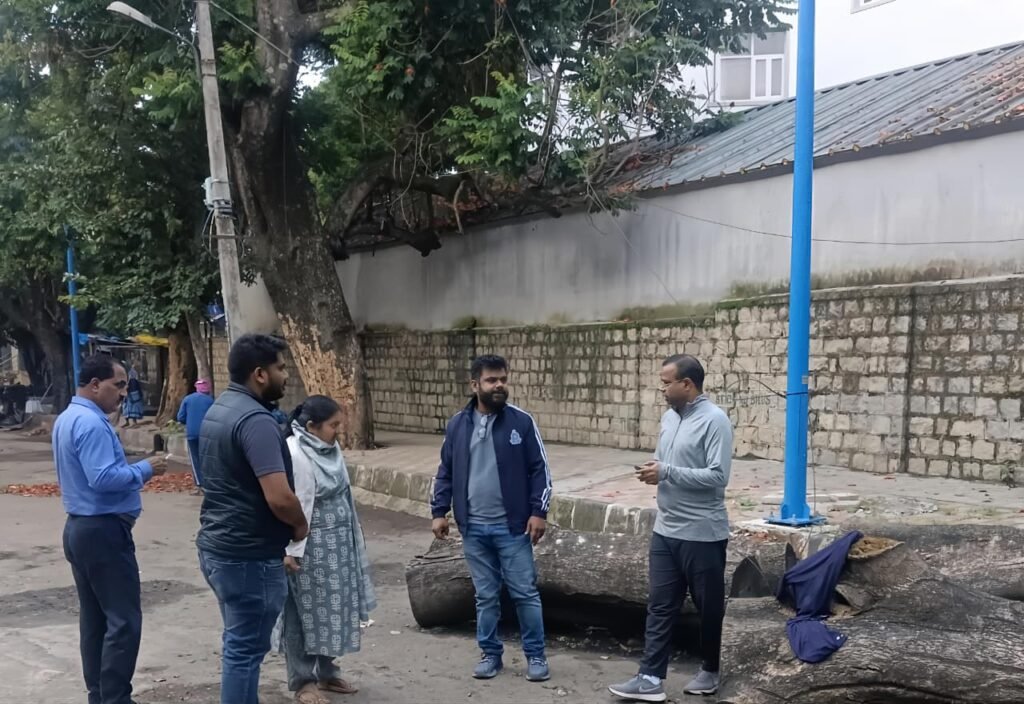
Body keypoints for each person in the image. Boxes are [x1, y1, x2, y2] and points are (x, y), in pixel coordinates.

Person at [608, 355, 733, 702]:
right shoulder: (668, 418)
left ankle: (711, 669)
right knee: (660, 605)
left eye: (666, 383)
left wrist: (667, 472)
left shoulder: (715, 421)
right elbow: (665, 460)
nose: (661, 389)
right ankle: (650, 678)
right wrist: (653, 469)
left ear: (687, 385)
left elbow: (718, 476)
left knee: (709, 607)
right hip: (666, 529)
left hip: (702, 532)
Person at [196, 334, 309, 704]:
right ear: (260, 374)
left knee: (238, 644)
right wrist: (299, 524)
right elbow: (278, 496)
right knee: (245, 651)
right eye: (280, 368)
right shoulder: (255, 421)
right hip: (247, 555)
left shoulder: (220, 408)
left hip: (218, 547)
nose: (285, 375)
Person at [431, 354, 553, 683]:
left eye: (503, 379)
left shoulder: (521, 422)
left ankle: (536, 656)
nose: (499, 385)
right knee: (485, 595)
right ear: (475, 385)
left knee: (524, 593)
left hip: (512, 527)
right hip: (473, 528)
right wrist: (438, 511)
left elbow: (540, 469)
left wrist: (538, 512)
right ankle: (490, 654)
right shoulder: (458, 424)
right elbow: (445, 471)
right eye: (491, 380)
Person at [53, 353, 168, 704]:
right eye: (118, 385)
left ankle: (100, 695)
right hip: (101, 531)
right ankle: (114, 698)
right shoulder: (89, 423)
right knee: (123, 622)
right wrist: (146, 469)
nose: (122, 394)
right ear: (94, 385)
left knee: (96, 621)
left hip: (82, 528)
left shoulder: (68, 418)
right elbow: (102, 478)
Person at [275, 395, 376, 704]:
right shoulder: (295, 452)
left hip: (339, 546)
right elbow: (294, 503)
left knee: (334, 609)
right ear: (310, 427)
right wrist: (290, 549)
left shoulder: (330, 449)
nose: (337, 432)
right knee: (303, 614)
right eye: (333, 426)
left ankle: (327, 672)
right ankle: (303, 681)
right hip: (308, 547)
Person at [176, 378, 214, 487]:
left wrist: (189, 421)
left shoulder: (188, 399)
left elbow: (180, 417)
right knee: (207, 458)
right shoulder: (210, 401)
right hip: (207, 434)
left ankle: (199, 484)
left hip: (192, 434)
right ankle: (209, 482)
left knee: (195, 459)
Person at [121, 362, 144, 427]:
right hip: (127, 393)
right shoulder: (123, 373)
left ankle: (134, 422)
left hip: (133, 393)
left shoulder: (133, 376)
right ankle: (127, 422)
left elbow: (136, 385)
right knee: (126, 407)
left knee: (134, 408)